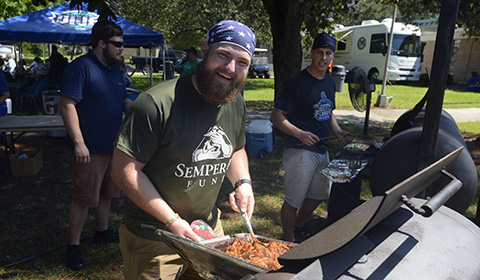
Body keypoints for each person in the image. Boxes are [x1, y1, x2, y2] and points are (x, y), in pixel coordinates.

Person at [111, 20, 256, 280]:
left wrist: (242, 182)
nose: (231, 68)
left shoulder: (235, 103)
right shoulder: (156, 103)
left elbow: (236, 149)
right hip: (155, 237)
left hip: (208, 232)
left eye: (242, 62)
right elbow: (124, 171)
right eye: (223, 55)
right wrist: (172, 221)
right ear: (204, 51)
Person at [59, 18, 133, 271]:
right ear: (102, 43)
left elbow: (124, 102)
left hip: (112, 146)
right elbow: (67, 104)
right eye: (118, 44)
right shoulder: (81, 67)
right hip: (88, 148)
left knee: (106, 193)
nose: (122, 48)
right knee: (82, 198)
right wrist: (79, 143)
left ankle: (102, 231)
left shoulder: (115, 69)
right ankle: (74, 247)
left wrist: (149, 108)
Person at [270, 32, 353, 243]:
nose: (323, 58)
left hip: (322, 151)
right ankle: (289, 240)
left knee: (318, 195)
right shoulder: (298, 83)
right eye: (319, 53)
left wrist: (337, 131)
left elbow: (328, 111)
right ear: (312, 53)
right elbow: (276, 116)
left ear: (333, 56)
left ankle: (298, 226)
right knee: (293, 201)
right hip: (300, 151)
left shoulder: (329, 83)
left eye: (328, 53)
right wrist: (299, 133)